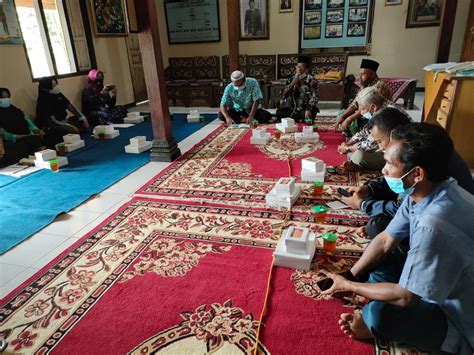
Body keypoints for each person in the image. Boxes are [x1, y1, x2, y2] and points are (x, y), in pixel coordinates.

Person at [322, 123, 474, 354]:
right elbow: (385, 240)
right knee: (382, 248)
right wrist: (352, 274)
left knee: (378, 314)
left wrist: (349, 286)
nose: (383, 170)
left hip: (459, 314)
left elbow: (406, 298)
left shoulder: (433, 225)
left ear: (417, 173)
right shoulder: (427, 190)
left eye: (390, 164)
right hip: (446, 274)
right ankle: (378, 291)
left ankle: (376, 318)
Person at [341, 117, 474, 239]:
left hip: (446, 225)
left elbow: (401, 208)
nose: (380, 147)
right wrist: (370, 188)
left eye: (380, 142)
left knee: (377, 226)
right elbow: (400, 178)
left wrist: (362, 205)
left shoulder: (430, 222)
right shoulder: (414, 153)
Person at [337, 87, 409, 171]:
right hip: (385, 146)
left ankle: (361, 165)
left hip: (399, 151)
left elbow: (373, 143)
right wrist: (349, 143)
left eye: (363, 109)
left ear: (373, 107)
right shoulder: (379, 109)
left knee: (359, 155)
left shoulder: (385, 113)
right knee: (355, 153)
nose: (361, 113)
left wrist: (348, 148)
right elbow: (366, 131)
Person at [335, 59, 392, 136]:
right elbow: (354, 104)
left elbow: (369, 108)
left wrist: (349, 119)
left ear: (372, 74)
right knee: (341, 113)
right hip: (365, 110)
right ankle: (350, 132)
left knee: (356, 120)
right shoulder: (364, 84)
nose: (360, 77)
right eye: (359, 74)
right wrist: (343, 116)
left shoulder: (379, 86)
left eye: (363, 74)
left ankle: (359, 136)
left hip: (378, 114)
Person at [36, 76, 89, 148]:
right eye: (53, 86)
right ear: (47, 89)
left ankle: (76, 132)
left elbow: (69, 106)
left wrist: (82, 117)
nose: (56, 87)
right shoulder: (44, 101)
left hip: (64, 120)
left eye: (56, 84)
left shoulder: (58, 94)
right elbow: (53, 121)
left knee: (81, 121)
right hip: (53, 125)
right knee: (69, 130)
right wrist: (69, 125)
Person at [0, 87, 45, 167]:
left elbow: (28, 121)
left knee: (41, 137)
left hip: (27, 136)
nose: (6, 99)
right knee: (22, 146)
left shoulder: (15, 110)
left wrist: (36, 130)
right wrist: (24, 136)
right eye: (3, 98)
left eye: (7, 97)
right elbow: (5, 135)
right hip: (12, 140)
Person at [275, 55, 319, 123]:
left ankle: (296, 119)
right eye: (298, 66)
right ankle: (299, 119)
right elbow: (283, 95)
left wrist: (308, 109)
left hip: (305, 108)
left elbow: (315, 97)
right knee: (279, 113)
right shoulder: (291, 79)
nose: (299, 69)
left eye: (301, 67)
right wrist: (292, 83)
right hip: (292, 109)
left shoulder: (312, 80)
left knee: (311, 113)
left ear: (307, 69)